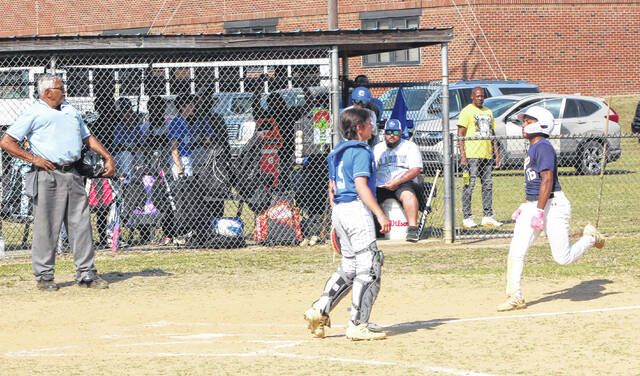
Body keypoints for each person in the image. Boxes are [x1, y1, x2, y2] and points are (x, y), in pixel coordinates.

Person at [0, 74, 115, 291]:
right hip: (47, 174)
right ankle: (44, 276)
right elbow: (7, 141)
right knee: (47, 227)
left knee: (81, 226)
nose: (64, 91)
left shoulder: (71, 110)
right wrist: (33, 159)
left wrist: (107, 156)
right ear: (47, 92)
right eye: (60, 88)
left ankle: (87, 274)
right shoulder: (34, 112)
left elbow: (87, 137)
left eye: (63, 87)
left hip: (73, 173)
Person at [497, 106, 605, 312]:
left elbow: (547, 179)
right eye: (524, 121)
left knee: (562, 258)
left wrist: (538, 210)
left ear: (541, 124)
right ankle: (515, 296)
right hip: (536, 204)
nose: (523, 125)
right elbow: (534, 183)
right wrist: (526, 204)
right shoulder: (532, 147)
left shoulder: (543, 146)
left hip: (553, 206)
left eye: (528, 121)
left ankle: (590, 238)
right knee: (516, 250)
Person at [303, 108, 390, 341]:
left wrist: (337, 219)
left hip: (340, 209)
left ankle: (319, 310)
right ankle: (358, 324)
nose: (373, 126)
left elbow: (332, 189)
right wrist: (380, 214)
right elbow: (361, 186)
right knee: (370, 268)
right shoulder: (360, 151)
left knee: (350, 269)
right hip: (355, 210)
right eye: (369, 123)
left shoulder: (336, 152)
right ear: (359, 128)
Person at [457, 87, 503, 228]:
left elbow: (492, 134)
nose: (480, 98)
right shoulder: (466, 111)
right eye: (477, 96)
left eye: (482, 96)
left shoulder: (488, 112)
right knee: (468, 186)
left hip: (487, 155)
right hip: (471, 156)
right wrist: (463, 156)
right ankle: (467, 217)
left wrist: (497, 155)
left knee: (488, 186)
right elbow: (460, 135)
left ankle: (487, 216)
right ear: (472, 96)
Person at [374, 119, 424, 242]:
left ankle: (412, 229)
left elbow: (415, 169)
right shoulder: (377, 148)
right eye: (389, 132)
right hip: (381, 185)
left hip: (402, 183)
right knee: (368, 197)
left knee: (407, 194)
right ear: (384, 133)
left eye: (395, 132)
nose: (392, 135)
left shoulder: (410, 146)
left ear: (401, 132)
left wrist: (397, 182)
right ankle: (373, 228)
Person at [113, 97, 147, 177]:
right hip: (118, 157)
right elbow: (120, 147)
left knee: (140, 154)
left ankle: (141, 177)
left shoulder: (135, 127)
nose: (129, 113)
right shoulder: (117, 127)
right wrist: (134, 150)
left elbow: (141, 144)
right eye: (125, 111)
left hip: (134, 154)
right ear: (119, 114)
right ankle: (126, 180)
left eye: (130, 110)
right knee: (126, 154)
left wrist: (144, 149)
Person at [168, 94, 199, 180]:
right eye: (190, 105)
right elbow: (173, 146)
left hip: (186, 157)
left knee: (189, 187)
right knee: (183, 188)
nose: (193, 108)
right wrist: (180, 169)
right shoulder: (177, 122)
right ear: (182, 107)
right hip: (180, 159)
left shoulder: (185, 122)